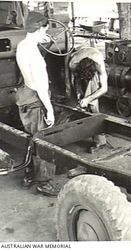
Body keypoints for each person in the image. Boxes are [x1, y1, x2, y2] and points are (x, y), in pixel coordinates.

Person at [16, 11, 58, 196]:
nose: (45, 33)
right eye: (44, 30)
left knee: (32, 137)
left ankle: (29, 174)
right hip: (36, 99)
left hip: (25, 94)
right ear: (39, 28)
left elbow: (29, 73)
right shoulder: (35, 57)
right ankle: (44, 182)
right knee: (45, 141)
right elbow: (41, 88)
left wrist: (41, 37)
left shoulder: (22, 46)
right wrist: (50, 110)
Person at [69, 47, 109, 153]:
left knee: (92, 103)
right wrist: (78, 94)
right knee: (78, 100)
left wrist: (89, 99)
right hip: (79, 59)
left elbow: (104, 88)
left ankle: (100, 141)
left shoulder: (99, 64)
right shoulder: (73, 64)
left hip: (92, 67)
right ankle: (83, 128)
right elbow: (75, 80)